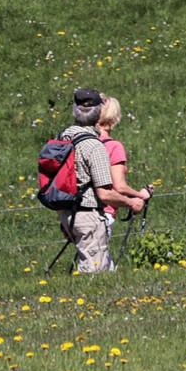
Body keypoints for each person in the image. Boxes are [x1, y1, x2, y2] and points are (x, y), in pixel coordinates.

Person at [58, 89, 144, 273]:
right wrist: (133, 201)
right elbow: (106, 192)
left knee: (103, 268)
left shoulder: (64, 137)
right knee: (95, 273)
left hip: (66, 211)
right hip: (90, 212)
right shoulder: (95, 145)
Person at [95, 94, 152, 234]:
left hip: (75, 214)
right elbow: (119, 187)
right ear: (113, 118)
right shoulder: (113, 146)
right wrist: (141, 195)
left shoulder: (82, 143)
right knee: (98, 256)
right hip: (102, 213)